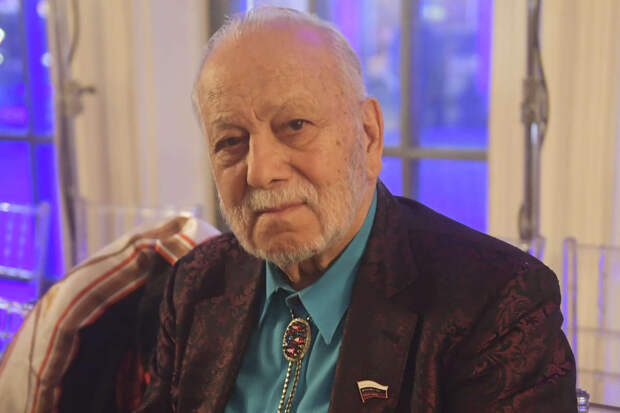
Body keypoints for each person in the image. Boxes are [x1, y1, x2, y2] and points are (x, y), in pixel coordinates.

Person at [137, 6, 576, 413]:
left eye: (295, 125)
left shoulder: (495, 304)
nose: (261, 171)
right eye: (231, 141)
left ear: (368, 136)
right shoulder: (195, 286)